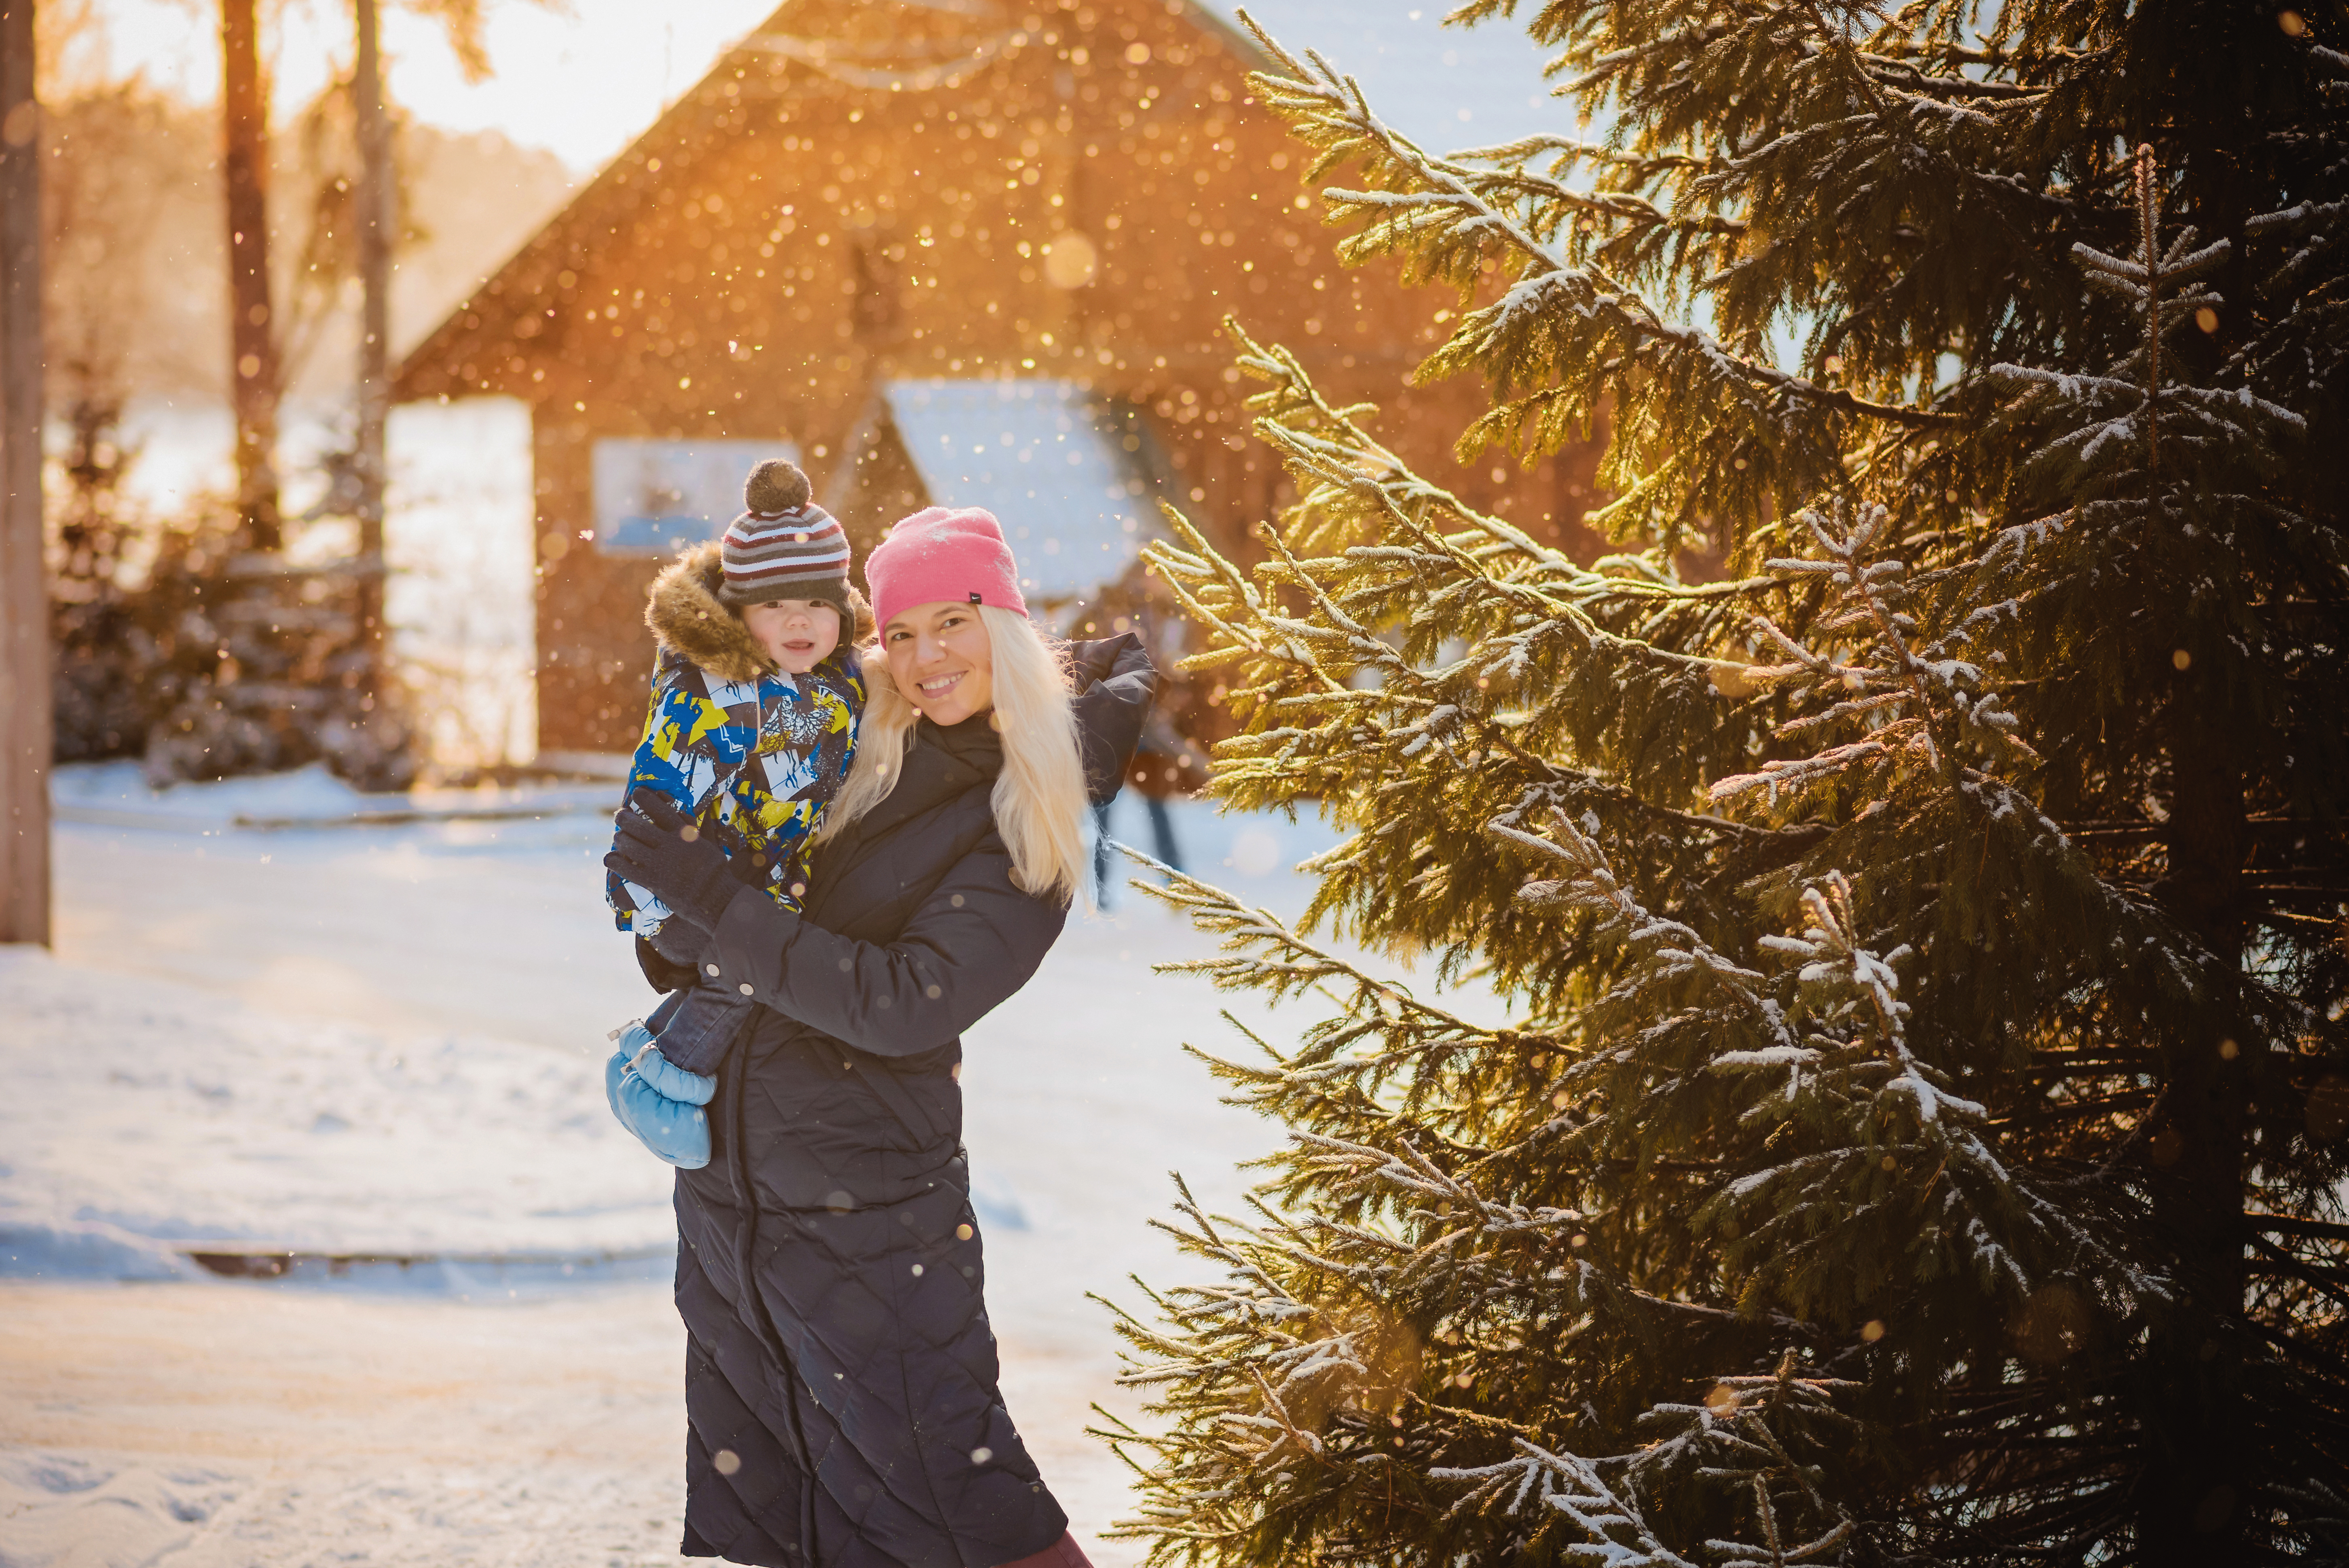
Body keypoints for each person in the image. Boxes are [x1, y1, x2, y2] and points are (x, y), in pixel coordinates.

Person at [605, 505, 1155, 1568]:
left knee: (964, 1504)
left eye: (952, 622)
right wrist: (671, 899)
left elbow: (903, 1000)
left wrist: (713, 897)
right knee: (791, 1508)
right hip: (737, 1205)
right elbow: (724, 943)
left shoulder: (1024, 801)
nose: (924, 657)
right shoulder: (853, 747)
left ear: (1004, 623)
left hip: (871, 1222)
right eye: (900, 632)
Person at [603, 461, 871, 1164]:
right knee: (748, 974)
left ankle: (655, 1050)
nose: (799, 621)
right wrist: (649, 905)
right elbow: (655, 794)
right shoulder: (711, 691)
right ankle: (665, 1077)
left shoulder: (842, 678)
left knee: (768, 968)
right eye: (776, 605)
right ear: (739, 613)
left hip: (774, 885)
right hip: (699, 884)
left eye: (816, 603)